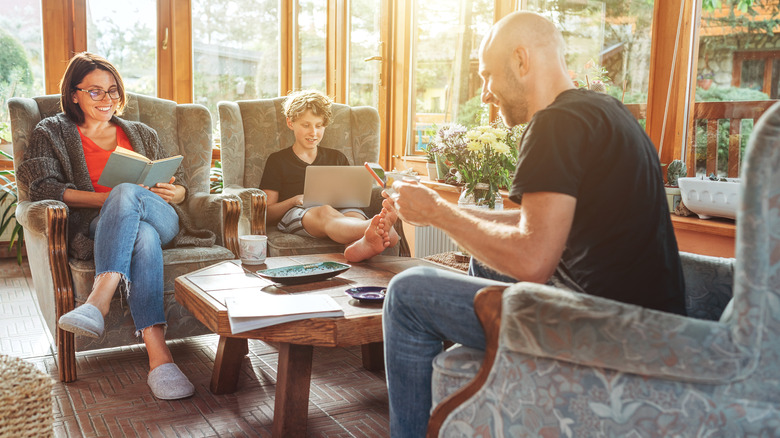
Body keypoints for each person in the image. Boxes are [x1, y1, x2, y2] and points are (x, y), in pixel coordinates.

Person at [381, 11, 687, 437]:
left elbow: (532, 259)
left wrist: (437, 213)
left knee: (405, 294)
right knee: (484, 266)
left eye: (488, 76)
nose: (485, 93)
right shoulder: (605, 111)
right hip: (645, 319)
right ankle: (494, 394)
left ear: (521, 61)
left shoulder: (553, 125)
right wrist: (436, 207)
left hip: (605, 331)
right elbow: (537, 223)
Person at [17, 52, 215, 400]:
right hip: (101, 226)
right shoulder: (52, 132)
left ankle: (98, 300)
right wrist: (112, 200)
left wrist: (176, 190)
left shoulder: (141, 133)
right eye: (95, 91)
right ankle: (160, 359)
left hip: (164, 217)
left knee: (134, 204)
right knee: (141, 235)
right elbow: (43, 187)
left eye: (112, 91)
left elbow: (181, 184)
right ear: (74, 93)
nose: (106, 100)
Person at [259, 89, 397, 262]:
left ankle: (360, 246)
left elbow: (352, 198)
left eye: (319, 126)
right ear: (290, 123)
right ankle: (374, 227)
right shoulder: (278, 160)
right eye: (306, 125)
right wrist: (294, 200)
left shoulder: (337, 157)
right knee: (325, 211)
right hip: (298, 213)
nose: (313, 133)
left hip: (340, 210)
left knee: (353, 214)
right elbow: (267, 212)